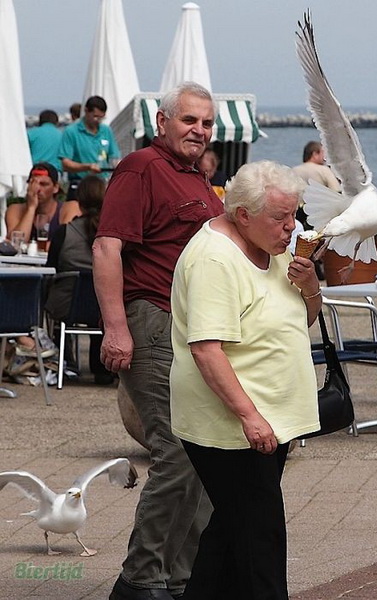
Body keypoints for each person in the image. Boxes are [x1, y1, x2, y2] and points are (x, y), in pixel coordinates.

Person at [93, 81, 223, 600]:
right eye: (189, 120)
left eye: (207, 123)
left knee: (203, 451)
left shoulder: (195, 179)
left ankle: (182, 576)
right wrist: (116, 327)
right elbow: (106, 249)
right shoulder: (141, 167)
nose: (199, 130)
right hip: (151, 319)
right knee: (178, 451)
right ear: (163, 121)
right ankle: (140, 578)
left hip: (192, 328)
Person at [170, 160, 320, 599]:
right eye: (280, 218)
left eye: (294, 215)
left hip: (272, 418)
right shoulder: (214, 258)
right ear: (242, 215)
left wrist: (310, 285)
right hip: (232, 427)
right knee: (261, 538)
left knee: (232, 531)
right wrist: (250, 416)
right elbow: (205, 349)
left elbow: (301, 319)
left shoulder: (274, 251)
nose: (290, 228)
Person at [44, 175, 114, 385]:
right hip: (105, 305)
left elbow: (51, 270)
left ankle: (62, 361)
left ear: (79, 203)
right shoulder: (111, 234)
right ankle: (102, 369)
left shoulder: (64, 233)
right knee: (98, 305)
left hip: (67, 305)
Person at [58, 95, 120, 203]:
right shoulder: (71, 131)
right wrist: (87, 167)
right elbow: (65, 164)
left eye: (101, 117)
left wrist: (117, 165)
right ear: (86, 111)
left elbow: (114, 156)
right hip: (80, 183)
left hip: (102, 184)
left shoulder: (106, 131)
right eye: (95, 116)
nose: (98, 121)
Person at [5, 162, 63, 245]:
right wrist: (31, 208)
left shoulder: (66, 209)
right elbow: (16, 244)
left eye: (43, 184)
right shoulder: (15, 209)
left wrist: (31, 246)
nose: (37, 189)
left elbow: (69, 243)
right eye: (33, 183)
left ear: (55, 188)